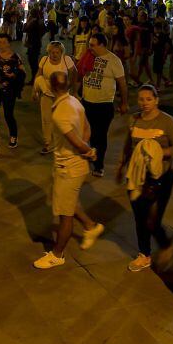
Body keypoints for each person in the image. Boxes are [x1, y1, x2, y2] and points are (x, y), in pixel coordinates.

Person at [32, 71, 104, 269]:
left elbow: (74, 140)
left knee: (65, 215)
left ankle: (57, 254)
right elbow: (87, 129)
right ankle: (91, 226)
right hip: (74, 166)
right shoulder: (75, 101)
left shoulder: (59, 113)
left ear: (51, 87)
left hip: (69, 168)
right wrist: (85, 147)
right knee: (68, 203)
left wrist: (89, 152)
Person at [116, 84, 173, 272]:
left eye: (149, 99)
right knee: (139, 217)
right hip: (137, 177)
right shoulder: (134, 120)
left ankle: (166, 244)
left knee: (152, 220)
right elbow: (128, 144)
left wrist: (159, 152)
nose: (144, 103)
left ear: (156, 100)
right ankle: (144, 255)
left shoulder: (167, 122)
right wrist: (121, 165)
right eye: (141, 99)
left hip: (160, 178)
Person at [79, 32, 128, 177]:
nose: (90, 48)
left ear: (102, 45)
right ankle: (92, 154)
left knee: (100, 136)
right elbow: (79, 73)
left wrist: (124, 103)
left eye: (93, 45)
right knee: (89, 134)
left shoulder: (114, 61)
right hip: (87, 102)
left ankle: (99, 165)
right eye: (89, 45)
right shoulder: (88, 56)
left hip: (104, 105)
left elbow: (122, 84)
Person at [34, 40, 76, 155]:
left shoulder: (67, 60)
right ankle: (48, 143)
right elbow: (39, 75)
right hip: (46, 94)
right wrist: (35, 91)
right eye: (52, 52)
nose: (54, 54)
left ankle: (64, 141)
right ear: (49, 52)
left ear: (61, 52)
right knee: (46, 119)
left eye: (57, 52)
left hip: (62, 96)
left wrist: (72, 89)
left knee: (62, 119)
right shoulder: (44, 60)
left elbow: (73, 74)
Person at [0, 34, 25, 152]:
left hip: (10, 92)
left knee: (8, 115)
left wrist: (14, 75)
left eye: (3, 42)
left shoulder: (15, 57)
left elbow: (23, 73)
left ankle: (13, 136)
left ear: (9, 43)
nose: (1, 45)